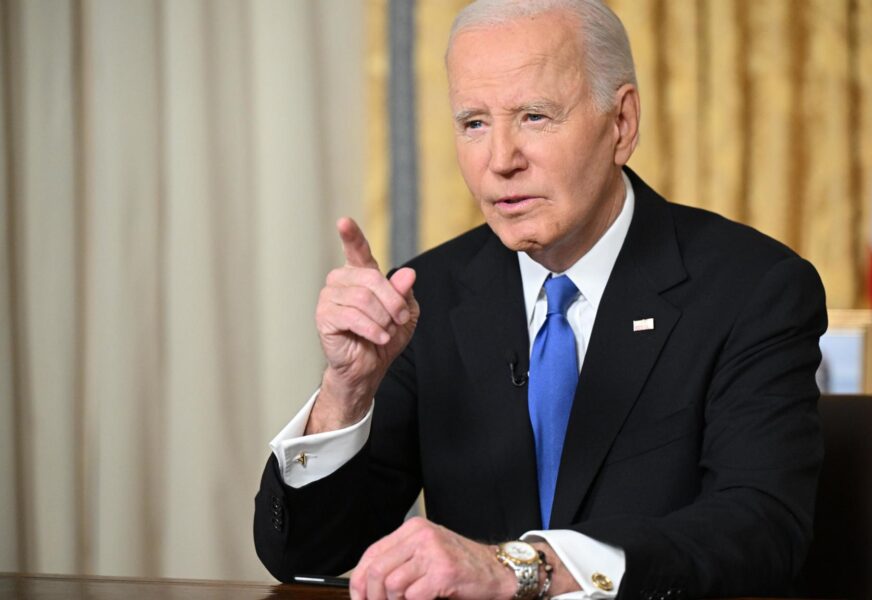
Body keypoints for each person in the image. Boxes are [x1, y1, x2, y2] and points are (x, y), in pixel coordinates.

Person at [253, 0, 827, 598]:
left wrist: (521, 569)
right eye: (474, 122)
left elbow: (762, 531)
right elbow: (305, 556)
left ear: (621, 124)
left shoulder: (752, 289)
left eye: (534, 116)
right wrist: (345, 392)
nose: (500, 161)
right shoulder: (428, 297)